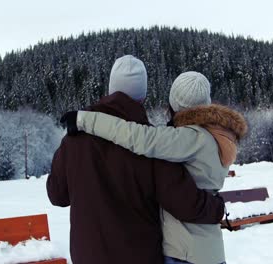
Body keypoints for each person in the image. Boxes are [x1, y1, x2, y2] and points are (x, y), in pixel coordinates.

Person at [47, 55, 225, 264]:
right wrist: (217, 208)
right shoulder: (152, 147)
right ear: (142, 97)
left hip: (88, 255)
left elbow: (57, 195)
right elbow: (184, 202)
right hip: (140, 255)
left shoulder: (74, 139)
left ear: (111, 88)